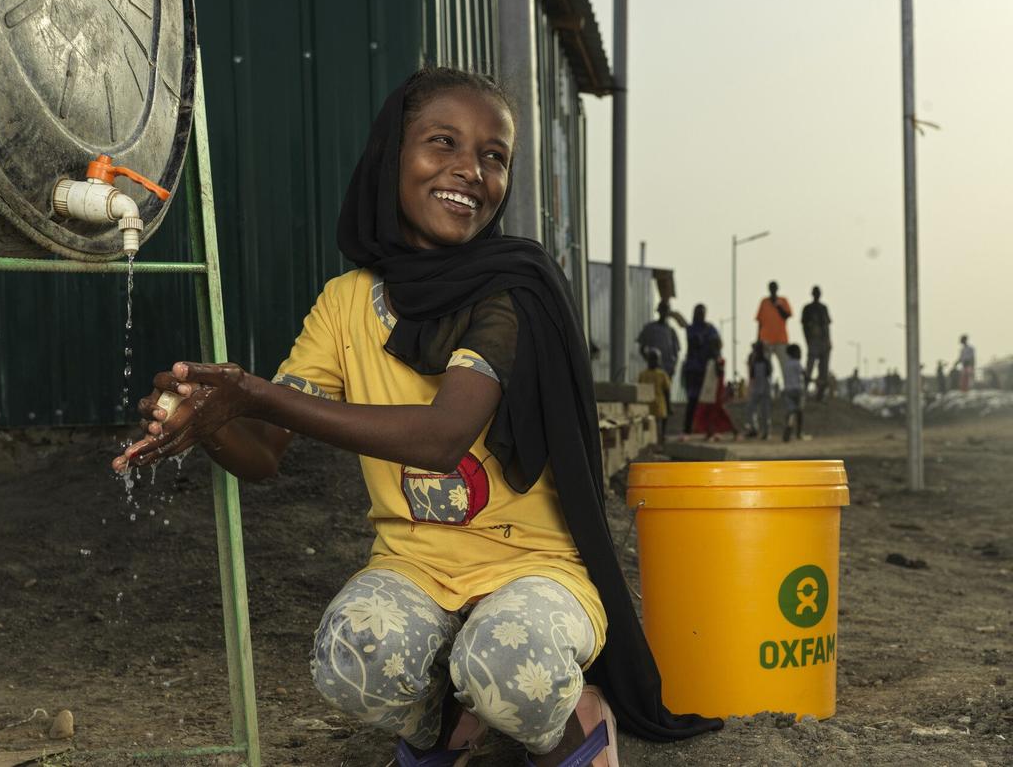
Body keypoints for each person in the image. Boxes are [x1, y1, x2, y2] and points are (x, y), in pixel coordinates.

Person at [113, 67, 718, 766]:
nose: (470, 171)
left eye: (494, 156)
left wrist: (250, 391)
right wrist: (206, 417)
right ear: (391, 156)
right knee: (353, 658)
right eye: (443, 143)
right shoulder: (346, 304)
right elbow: (265, 454)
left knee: (506, 667)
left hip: (537, 570)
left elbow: (441, 437)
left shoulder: (512, 291)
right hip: (414, 566)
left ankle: (578, 718)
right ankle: (445, 724)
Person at [679, 304, 721, 439]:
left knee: (708, 401)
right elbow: (694, 343)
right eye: (698, 313)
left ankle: (709, 430)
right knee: (692, 400)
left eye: (702, 313)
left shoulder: (710, 329)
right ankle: (688, 429)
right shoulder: (691, 329)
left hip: (707, 369)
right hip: (693, 368)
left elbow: (717, 346)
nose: (699, 316)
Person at [691, 343, 737, 441]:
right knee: (708, 412)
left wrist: (717, 364)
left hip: (715, 391)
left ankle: (732, 430)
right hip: (708, 390)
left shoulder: (718, 360)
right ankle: (709, 432)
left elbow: (719, 373)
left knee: (717, 412)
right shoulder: (710, 361)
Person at [636, 300, 682, 382]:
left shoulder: (671, 331)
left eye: (666, 310)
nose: (664, 313)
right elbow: (642, 348)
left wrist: (673, 367)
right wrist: (650, 361)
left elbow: (676, 352)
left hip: (667, 371)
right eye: (662, 310)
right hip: (653, 372)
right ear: (659, 311)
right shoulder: (649, 328)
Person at [800, 286, 832, 401]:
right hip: (813, 340)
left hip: (823, 341)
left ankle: (820, 394)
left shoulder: (823, 308)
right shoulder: (808, 309)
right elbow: (804, 327)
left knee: (823, 370)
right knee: (809, 367)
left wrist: (828, 341)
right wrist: (808, 340)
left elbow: (827, 326)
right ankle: (804, 391)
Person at [755, 281, 792, 372]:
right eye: (771, 288)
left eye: (774, 288)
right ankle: (767, 385)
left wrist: (778, 305)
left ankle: (788, 385)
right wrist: (758, 340)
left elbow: (786, 315)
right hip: (766, 340)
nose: (773, 290)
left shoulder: (783, 301)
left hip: (781, 339)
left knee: (785, 365)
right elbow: (760, 322)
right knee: (766, 367)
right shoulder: (764, 302)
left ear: (777, 289)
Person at [638, 349, 672, 443]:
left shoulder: (661, 374)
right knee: (651, 423)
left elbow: (667, 391)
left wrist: (668, 406)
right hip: (651, 405)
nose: (654, 361)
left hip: (657, 404)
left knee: (659, 421)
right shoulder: (644, 374)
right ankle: (653, 438)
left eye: (655, 359)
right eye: (652, 359)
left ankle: (661, 436)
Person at [745, 341, 772, 439]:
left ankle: (766, 432)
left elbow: (768, 373)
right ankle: (754, 428)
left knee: (765, 411)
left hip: (764, 387)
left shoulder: (765, 360)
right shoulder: (755, 360)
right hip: (757, 387)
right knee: (751, 409)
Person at [781, 344, 806, 442]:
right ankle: (799, 433)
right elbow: (804, 374)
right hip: (797, 390)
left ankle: (789, 425)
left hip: (788, 390)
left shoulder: (786, 364)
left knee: (790, 411)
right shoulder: (797, 363)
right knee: (799, 412)